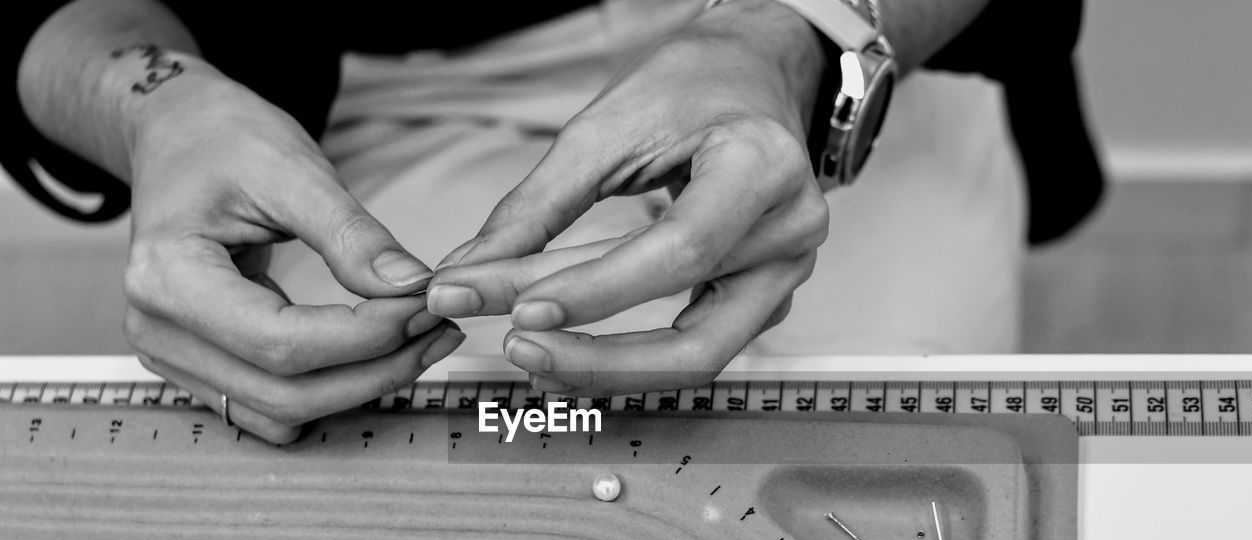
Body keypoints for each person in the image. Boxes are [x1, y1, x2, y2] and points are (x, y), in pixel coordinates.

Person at [4, 0, 1102, 443]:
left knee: (890, 467)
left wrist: (807, 33)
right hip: (379, 85)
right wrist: (153, 109)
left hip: (848, 28)